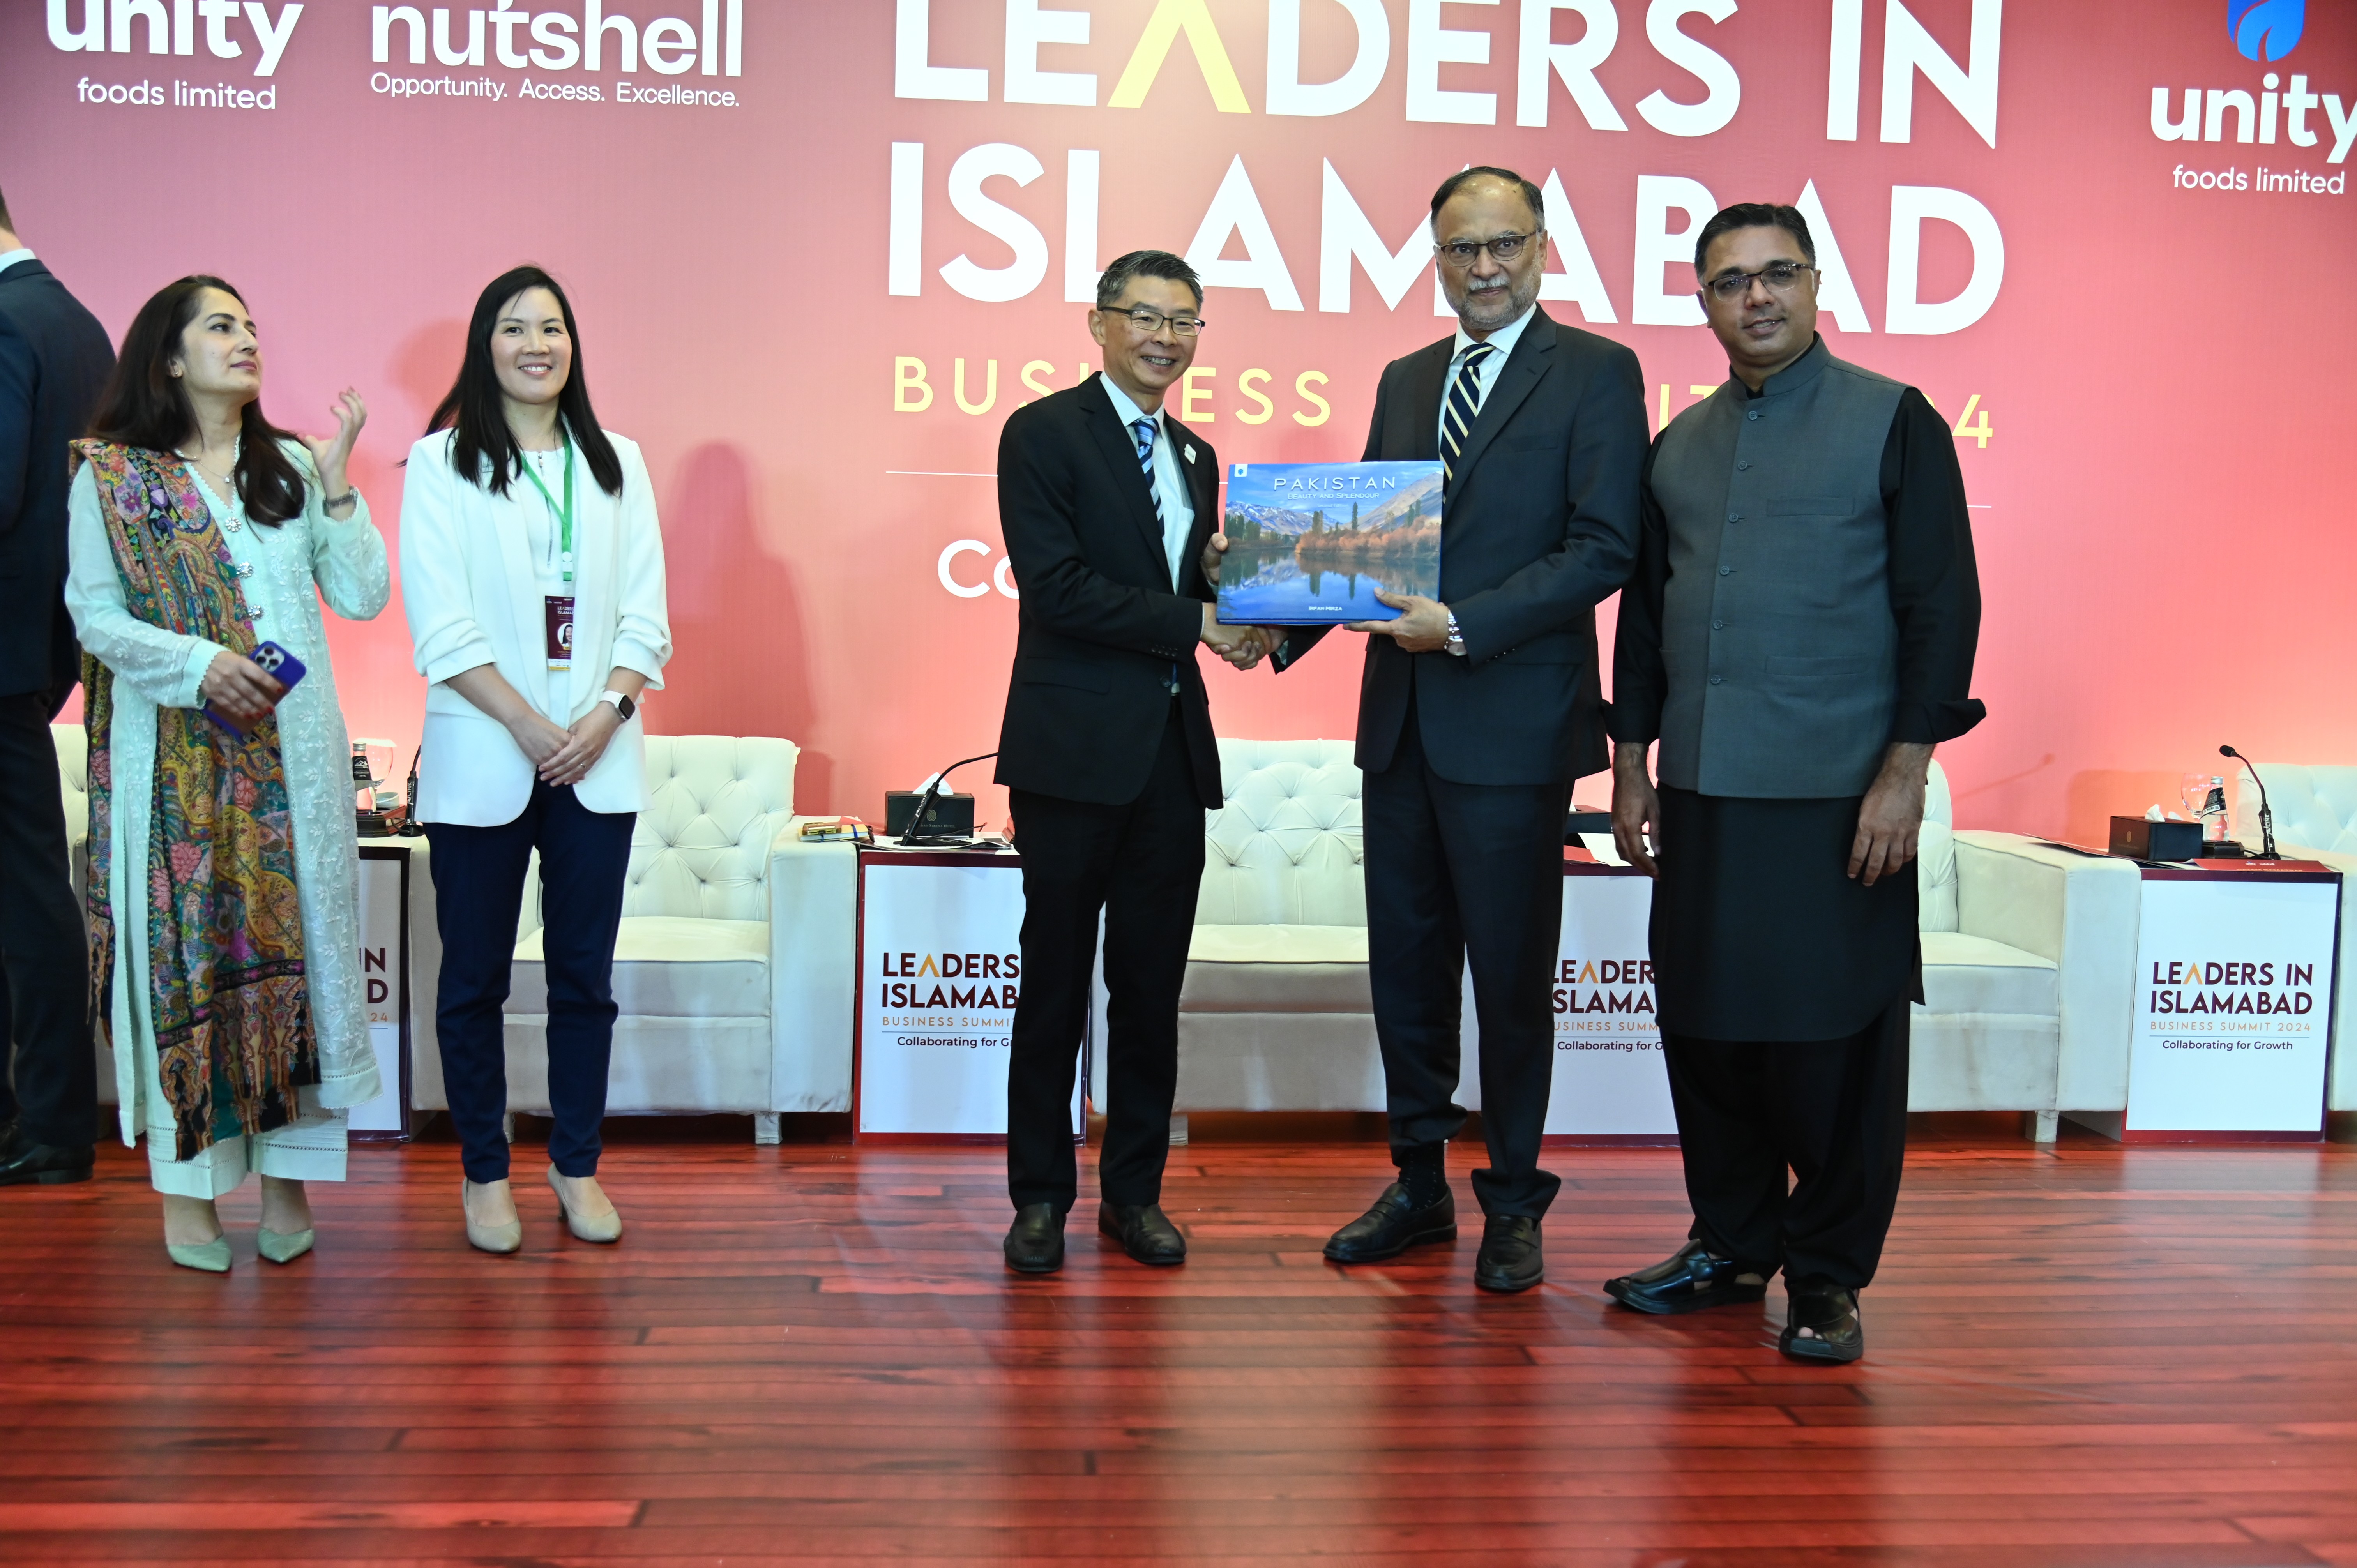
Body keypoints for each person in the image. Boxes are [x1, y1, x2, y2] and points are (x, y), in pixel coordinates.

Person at [1243, 167, 1648, 1292]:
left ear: (1542, 247)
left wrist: (1464, 624)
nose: (1483, 268)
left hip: (1515, 728)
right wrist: (1276, 630)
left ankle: (1514, 1200)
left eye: (1503, 245)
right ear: (1437, 255)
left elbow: (1604, 547)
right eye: (1461, 249)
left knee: (1513, 980)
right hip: (1403, 730)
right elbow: (1370, 542)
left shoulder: (1600, 374)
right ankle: (1419, 1184)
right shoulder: (1408, 376)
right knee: (1408, 973)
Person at [1603, 203, 1984, 1363]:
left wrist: (1904, 772)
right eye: (1730, 282)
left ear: (1817, 284)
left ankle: (1825, 1278)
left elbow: (1942, 608)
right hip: (1708, 786)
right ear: (1703, 301)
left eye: (1777, 275)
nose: (1755, 297)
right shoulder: (1677, 445)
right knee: (1709, 1033)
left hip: (1839, 793)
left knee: (1835, 1049)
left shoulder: (1895, 421)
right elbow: (1649, 622)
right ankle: (1730, 1244)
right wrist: (1631, 761)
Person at [65, 275, 386, 1270]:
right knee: (190, 968)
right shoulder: (112, 478)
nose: (247, 339)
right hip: (178, 776)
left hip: (294, 770)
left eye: (251, 326)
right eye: (222, 326)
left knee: (298, 969)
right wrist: (204, 667)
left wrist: (336, 484)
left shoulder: (285, 465)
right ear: (169, 355)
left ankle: (287, 1181)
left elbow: (365, 595)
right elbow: (96, 616)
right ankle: (189, 1199)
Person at [993, 249, 1263, 1275]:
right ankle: (1038, 1200)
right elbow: (1058, 590)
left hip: (1168, 758)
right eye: (1144, 316)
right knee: (1053, 985)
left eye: (1183, 321)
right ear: (1099, 324)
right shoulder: (1043, 434)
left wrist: (1249, 596)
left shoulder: (1197, 455)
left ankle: (1134, 1197)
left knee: (1151, 992)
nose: (1164, 337)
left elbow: (1182, 580)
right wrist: (1199, 614)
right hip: (1069, 759)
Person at [399, 266, 671, 1255]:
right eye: (514, 328)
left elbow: (648, 612)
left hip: (597, 757)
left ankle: (576, 1163)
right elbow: (441, 621)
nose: (535, 345)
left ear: (573, 345)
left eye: (551, 327)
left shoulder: (619, 462)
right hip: (485, 754)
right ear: (485, 345)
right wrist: (524, 722)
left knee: (583, 980)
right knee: (472, 977)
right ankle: (483, 1171)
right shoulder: (440, 464)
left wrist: (604, 713)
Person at [0, 188, 115, 1188]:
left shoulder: (7, 319)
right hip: (35, 655)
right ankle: (35, 1115)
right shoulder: (74, 319)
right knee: (22, 889)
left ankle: (51, 1120)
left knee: (29, 895)